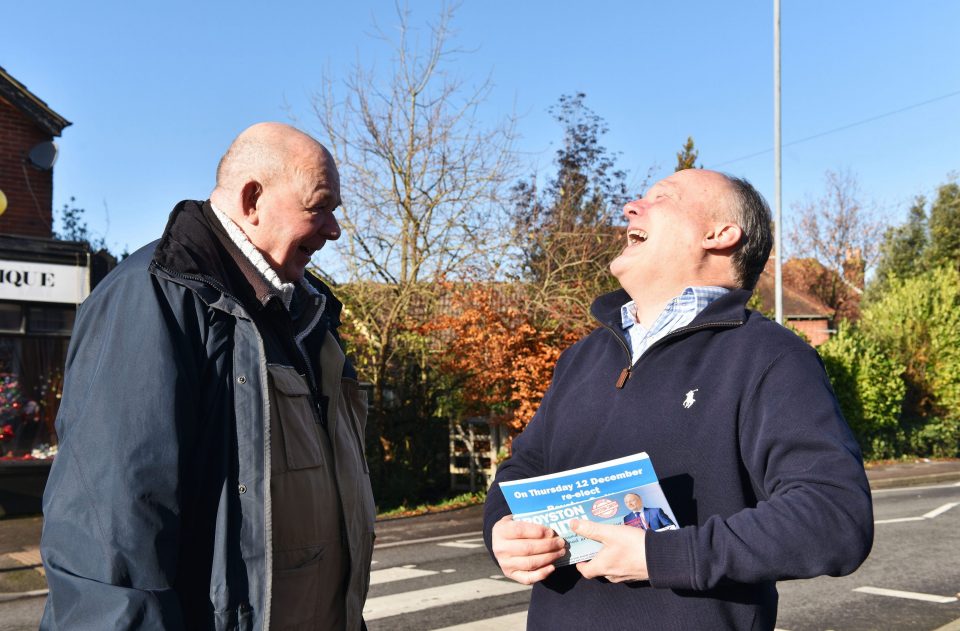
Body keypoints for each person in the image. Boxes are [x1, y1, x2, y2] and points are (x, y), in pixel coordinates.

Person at [484, 169, 873, 630]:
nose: (631, 208)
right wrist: (504, 531)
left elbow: (833, 518)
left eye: (661, 198)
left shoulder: (771, 356)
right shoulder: (580, 357)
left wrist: (660, 556)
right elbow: (521, 472)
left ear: (720, 234)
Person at [40, 122, 376, 630]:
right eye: (319, 206)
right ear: (253, 199)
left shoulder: (303, 314)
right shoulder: (152, 299)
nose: (334, 229)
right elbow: (111, 540)